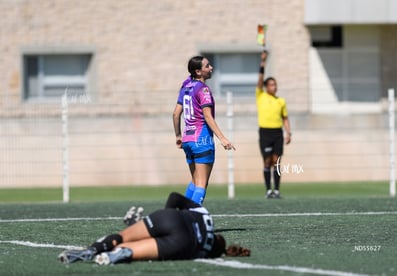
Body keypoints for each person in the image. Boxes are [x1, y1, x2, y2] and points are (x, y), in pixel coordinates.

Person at [58, 192, 250, 265]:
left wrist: (161, 223)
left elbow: (175, 197)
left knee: (123, 235)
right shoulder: (204, 252)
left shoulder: (206, 217)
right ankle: (114, 256)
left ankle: (94, 249)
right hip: (182, 243)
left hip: (170, 218)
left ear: (216, 236)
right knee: (133, 250)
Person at [172, 56, 235, 205]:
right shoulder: (203, 89)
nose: (211, 67)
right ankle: (192, 220)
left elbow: (175, 114)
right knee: (201, 183)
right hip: (202, 139)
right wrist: (223, 138)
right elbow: (207, 116)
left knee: (195, 181)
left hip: (187, 139)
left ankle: (182, 215)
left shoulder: (186, 87)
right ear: (198, 71)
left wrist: (178, 136)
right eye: (207, 66)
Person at [256, 50, 292, 199]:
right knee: (267, 161)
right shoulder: (260, 95)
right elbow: (259, 80)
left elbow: (285, 118)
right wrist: (263, 62)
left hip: (277, 133)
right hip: (265, 132)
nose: (274, 87)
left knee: (276, 161)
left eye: (275, 85)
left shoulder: (281, 101)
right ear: (266, 86)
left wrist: (288, 132)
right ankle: (267, 190)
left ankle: (276, 190)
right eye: (271, 85)